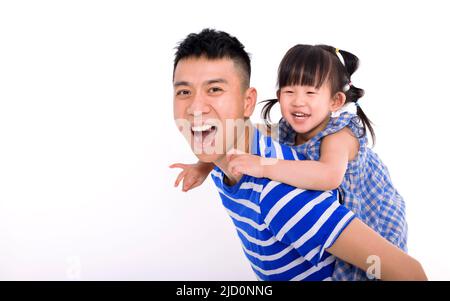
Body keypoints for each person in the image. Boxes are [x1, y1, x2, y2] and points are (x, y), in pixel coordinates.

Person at [171, 28, 426, 280]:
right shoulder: (264, 139)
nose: (195, 108)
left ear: (335, 101)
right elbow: (259, 130)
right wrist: (204, 165)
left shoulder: (316, 158)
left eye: (214, 89)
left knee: (363, 272)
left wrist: (262, 166)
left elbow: (329, 176)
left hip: (371, 208)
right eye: (184, 91)